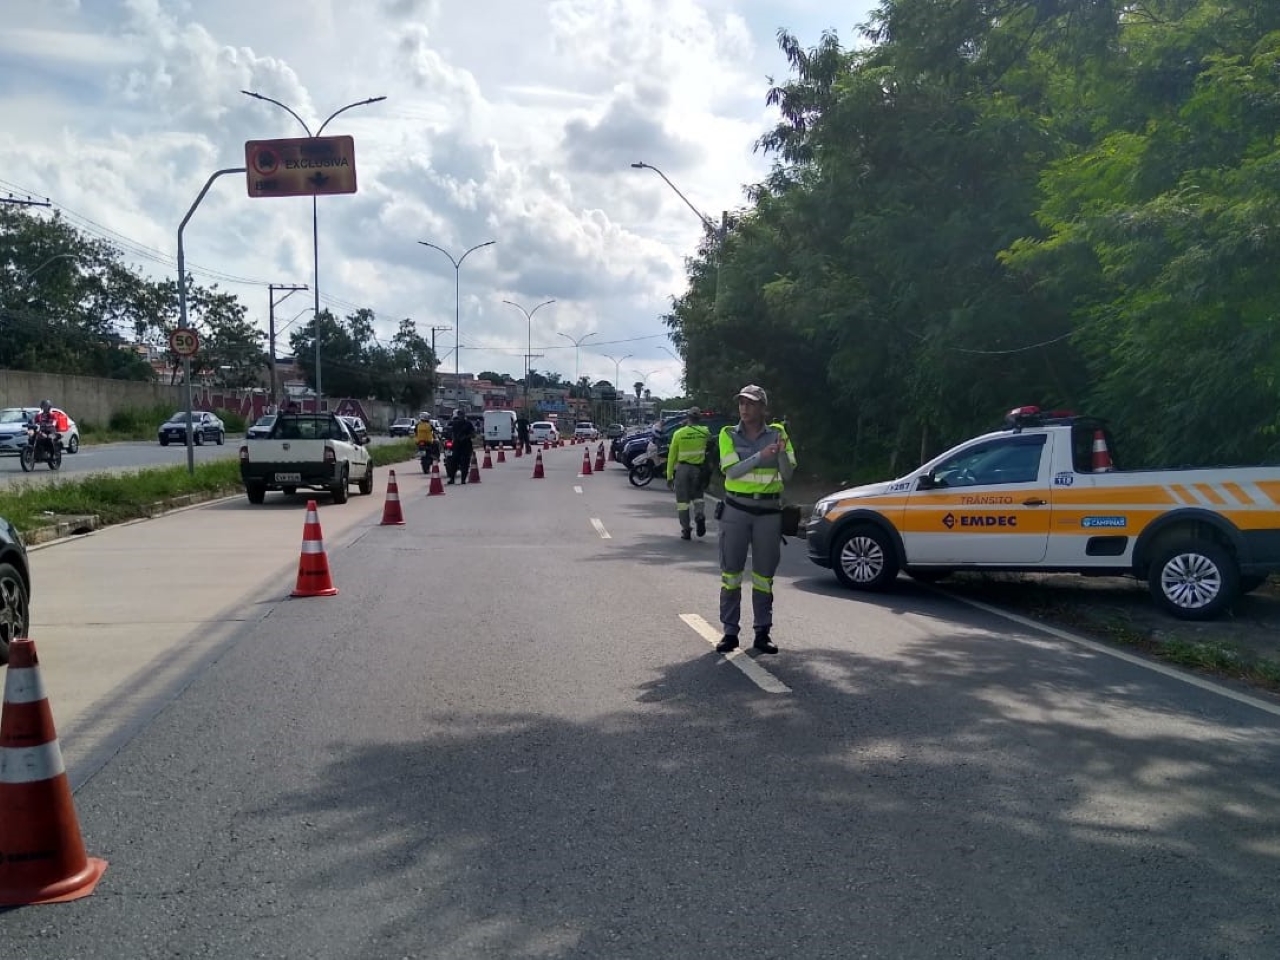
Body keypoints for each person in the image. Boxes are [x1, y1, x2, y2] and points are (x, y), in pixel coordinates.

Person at [714, 385, 796, 655]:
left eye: (751, 403)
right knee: (731, 575)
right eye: (741, 403)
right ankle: (729, 632)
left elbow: (787, 474)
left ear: (763, 408)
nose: (744, 408)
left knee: (764, 577)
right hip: (736, 510)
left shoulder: (778, 433)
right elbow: (733, 471)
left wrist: (781, 452)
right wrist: (762, 456)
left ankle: (763, 632)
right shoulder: (727, 434)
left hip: (769, 513)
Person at [666, 407, 710, 540]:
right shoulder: (705, 432)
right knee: (698, 496)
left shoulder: (679, 434)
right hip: (698, 469)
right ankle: (699, 514)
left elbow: (672, 456)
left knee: (682, 502)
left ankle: (686, 529)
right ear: (699, 418)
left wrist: (669, 476)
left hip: (683, 470)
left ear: (688, 417)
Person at [447, 409, 476, 484]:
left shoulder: (468, 423)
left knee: (465, 463)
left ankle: (463, 479)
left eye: (461, 415)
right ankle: (452, 479)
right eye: (459, 415)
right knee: (453, 462)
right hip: (457, 445)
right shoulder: (454, 423)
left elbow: (473, 434)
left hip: (466, 445)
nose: (460, 416)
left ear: (464, 415)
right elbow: (449, 431)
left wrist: (465, 437)